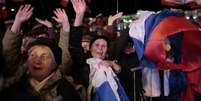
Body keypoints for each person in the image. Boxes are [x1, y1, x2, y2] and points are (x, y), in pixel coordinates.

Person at [1, 4, 82, 101]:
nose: (37, 61)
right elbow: (8, 55)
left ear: (55, 64)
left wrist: (66, 28)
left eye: (45, 56)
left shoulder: (66, 92)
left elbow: (64, 57)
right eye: (32, 55)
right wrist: (17, 23)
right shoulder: (14, 85)